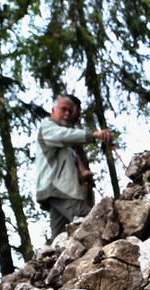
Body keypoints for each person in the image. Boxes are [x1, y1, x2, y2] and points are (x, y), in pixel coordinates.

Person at [34, 94, 111, 240]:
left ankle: (56, 259)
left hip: (56, 190)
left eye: (70, 111)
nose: (67, 114)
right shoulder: (48, 127)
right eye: (63, 109)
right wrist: (93, 135)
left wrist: (82, 175)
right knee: (90, 219)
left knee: (60, 236)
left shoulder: (62, 143)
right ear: (53, 111)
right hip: (58, 189)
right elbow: (63, 135)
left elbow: (65, 161)